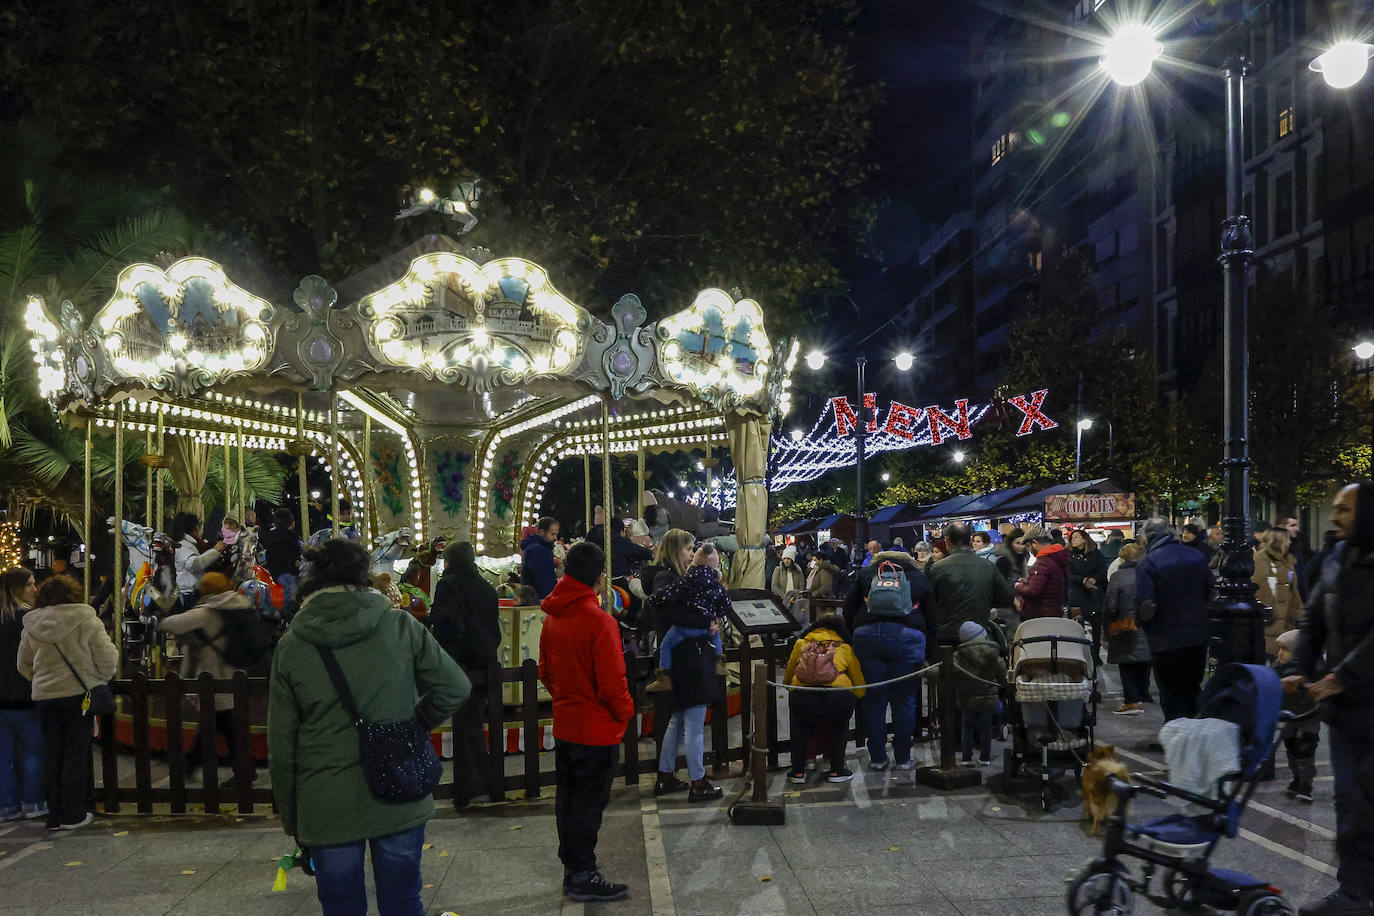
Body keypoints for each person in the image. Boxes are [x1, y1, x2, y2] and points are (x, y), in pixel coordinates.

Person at [268, 539, 470, 916]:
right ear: (363, 575)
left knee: (341, 907)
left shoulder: (293, 645)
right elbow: (454, 687)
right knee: (403, 902)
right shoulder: (399, 625)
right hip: (399, 785)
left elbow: (282, 742)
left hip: (325, 801)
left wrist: (294, 818)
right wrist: (416, 725)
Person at [1284, 482, 1374, 916]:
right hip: (1347, 710)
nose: (1335, 516)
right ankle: (1354, 893)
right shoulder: (1338, 557)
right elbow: (1313, 617)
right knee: (1350, 802)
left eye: (1344, 509)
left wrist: (1345, 675)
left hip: (1363, 694)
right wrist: (1299, 667)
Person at [538, 542, 635, 902]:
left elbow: (545, 671)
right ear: (599, 576)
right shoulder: (599, 622)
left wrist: (567, 696)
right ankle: (583, 872)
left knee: (569, 800)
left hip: (567, 723)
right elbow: (612, 682)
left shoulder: (553, 617)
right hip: (596, 728)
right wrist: (624, 711)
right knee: (588, 804)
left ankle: (573, 867)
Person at [16, 574, 117, 830]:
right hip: (77, 695)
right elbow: (107, 658)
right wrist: (97, 680)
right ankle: (73, 814)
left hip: (45, 698)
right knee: (76, 754)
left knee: (52, 753)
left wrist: (42, 681)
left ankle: (54, 813)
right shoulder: (85, 619)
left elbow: (23, 665)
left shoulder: (32, 625)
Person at [843, 547, 936, 772]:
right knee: (904, 700)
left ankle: (877, 757)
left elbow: (848, 610)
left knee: (873, 700)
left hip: (867, 637)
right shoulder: (917, 577)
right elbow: (933, 617)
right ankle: (903, 757)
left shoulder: (866, 574)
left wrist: (851, 639)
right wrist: (928, 654)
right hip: (908, 638)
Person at [160, 572, 255, 787]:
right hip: (233, 671)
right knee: (215, 723)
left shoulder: (207, 611)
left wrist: (162, 615)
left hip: (213, 674)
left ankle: (240, 771)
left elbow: (171, 623)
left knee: (219, 723)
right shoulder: (239, 603)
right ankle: (195, 766)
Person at [650, 546, 727, 801]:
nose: (689, 553)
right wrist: (710, 622)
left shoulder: (682, 582)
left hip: (681, 658)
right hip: (694, 660)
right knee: (694, 726)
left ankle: (665, 776)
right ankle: (698, 782)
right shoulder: (678, 580)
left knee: (678, 719)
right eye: (686, 548)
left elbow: (661, 604)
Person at [429, 541, 502, 809]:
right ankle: (482, 777)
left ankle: (476, 781)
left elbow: (449, 626)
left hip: (464, 663)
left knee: (466, 723)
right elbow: (493, 628)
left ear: (449, 561)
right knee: (472, 721)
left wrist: (448, 658)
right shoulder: (485, 586)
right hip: (485, 660)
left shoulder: (449, 585)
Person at [1135, 517, 1214, 722]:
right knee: (1192, 685)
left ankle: (1175, 735)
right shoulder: (1195, 555)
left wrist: (1142, 623)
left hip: (1165, 637)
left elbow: (1146, 604)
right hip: (1197, 633)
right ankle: (1194, 730)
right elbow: (1210, 591)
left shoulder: (1149, 561)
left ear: (1147, 537)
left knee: (1170, 690)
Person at [783, 614, 865, 783]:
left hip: (803, 694)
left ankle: (798, 772)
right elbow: (858, 682)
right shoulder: (844, 647)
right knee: (839, 728)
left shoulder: (801, 643)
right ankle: (837, 770)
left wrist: (791, 689)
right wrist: (855, 697)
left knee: (799, 729)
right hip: (837, 696)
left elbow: (789, 673)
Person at [0, 568, 44, 822]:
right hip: (23, 694)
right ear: (17, 588)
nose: (34, 589)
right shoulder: (27, 619)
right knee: (32, 751)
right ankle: (34, 801)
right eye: (29, 584)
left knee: (4, 754)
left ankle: (8, 805)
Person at [927, 523, 1015, 644]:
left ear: (947, 541)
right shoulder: (988, 566)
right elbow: (1007, 596)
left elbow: (929, 601)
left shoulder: (938, 567)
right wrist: (984, 600)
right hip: (980, 633)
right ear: (969, 540)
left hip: (947, 636)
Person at [1103, 542, 1152, 714]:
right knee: (1144, 660)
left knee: (1127, 663)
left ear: (1122, 558)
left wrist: (1107, 625)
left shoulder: (1118, 576)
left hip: (1125, 624)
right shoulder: (1149, 574)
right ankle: (1143, 694)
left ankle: (1131, 701)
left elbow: (1110, 606)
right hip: (1147, 622)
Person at [1272, 629, 1319, 804]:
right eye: (1279, 648)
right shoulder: (1277, 668)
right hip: (1288, 717)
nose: (1279, 653)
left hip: (1308, 717)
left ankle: (1306, 785)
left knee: (1305, 749)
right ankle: (1297, 778)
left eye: (1285, 649)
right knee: (1291, 749)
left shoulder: (1310, 670)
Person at [952, 621, 1006, 767]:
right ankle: (984, 757)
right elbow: (1002, 672)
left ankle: (966, 758)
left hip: (967, 699)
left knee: (967, 727)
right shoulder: (993, 652)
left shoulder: (958, 655)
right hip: (988, 698)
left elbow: (951, 673)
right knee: (986, 729)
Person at [1253, 526, 1305, 658]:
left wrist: (1300, 616)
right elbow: (1260, 593)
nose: (1290, 542)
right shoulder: (1260, 561)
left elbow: (1294, 593)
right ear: (1278, 541)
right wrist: (1272, 615)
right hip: (1269, 627)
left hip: (1287, 625)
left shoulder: (1288, 562)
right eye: (1286, 539)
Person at [172, 512, 225, 614]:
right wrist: (215, 551)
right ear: (195, 527)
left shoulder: (188, 544)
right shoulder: (182, 545)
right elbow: (194, 564)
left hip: (190, 592)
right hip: (188, 594)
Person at [1013, 524, 1069, 619]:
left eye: (1028, 546)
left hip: (1040, 617)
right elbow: (1049, 584)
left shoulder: (1042, 563)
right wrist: (1028, 581)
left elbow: (1033, 592)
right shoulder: (1056, 558)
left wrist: (1017, 586)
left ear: (1034, 543)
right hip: (1054, 613)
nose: (1029, 550)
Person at [1068, 529, 1108, 658]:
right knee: (1076, 626)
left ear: (1084, 539)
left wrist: (1094, 579)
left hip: (1093, 594)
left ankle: (1095, 654)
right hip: (1077, 595)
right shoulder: (1068, 556)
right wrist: (1082, 580)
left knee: (1096, 625)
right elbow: (1067, 574)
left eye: (1076, 537)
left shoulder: (1096, 554)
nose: (1073, 540)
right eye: (1071, 538)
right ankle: (1077, 655)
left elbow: (1103, 571)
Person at [262, 508, 302, 610]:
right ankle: (289, 613)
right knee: (291, 589)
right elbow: (293, 552)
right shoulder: (290, 536)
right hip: (284, 571)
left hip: (278, 569)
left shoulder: (272, 536)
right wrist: (295, 561)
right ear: (292, 524)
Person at [521, 516, 560, 600]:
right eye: (552, 534)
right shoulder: (537, 550)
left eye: (556, 534)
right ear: (542, 532)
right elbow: (541, 579)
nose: (555, 538)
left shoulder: (544, 549)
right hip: (538, 600)